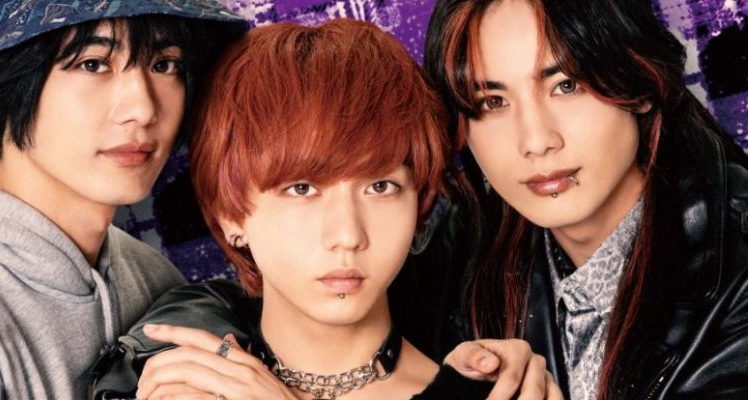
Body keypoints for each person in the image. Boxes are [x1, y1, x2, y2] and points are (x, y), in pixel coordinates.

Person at [110, 18, 561, 400]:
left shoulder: (495, 392)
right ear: (230, 214)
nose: (347, 234)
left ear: (419, 206)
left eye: (380, 187)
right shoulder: (175, 378)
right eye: (302, 189)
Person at [0, 0, 247, 398]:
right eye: (93, 64)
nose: (143, 109)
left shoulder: (154, 279)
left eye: (165, 64)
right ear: (9, 83)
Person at [424, 0, 748, 398]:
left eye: (566, 85)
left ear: (639, 83)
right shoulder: (460, 255)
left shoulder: (738, 274)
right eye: (493, 102)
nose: (536, 141)